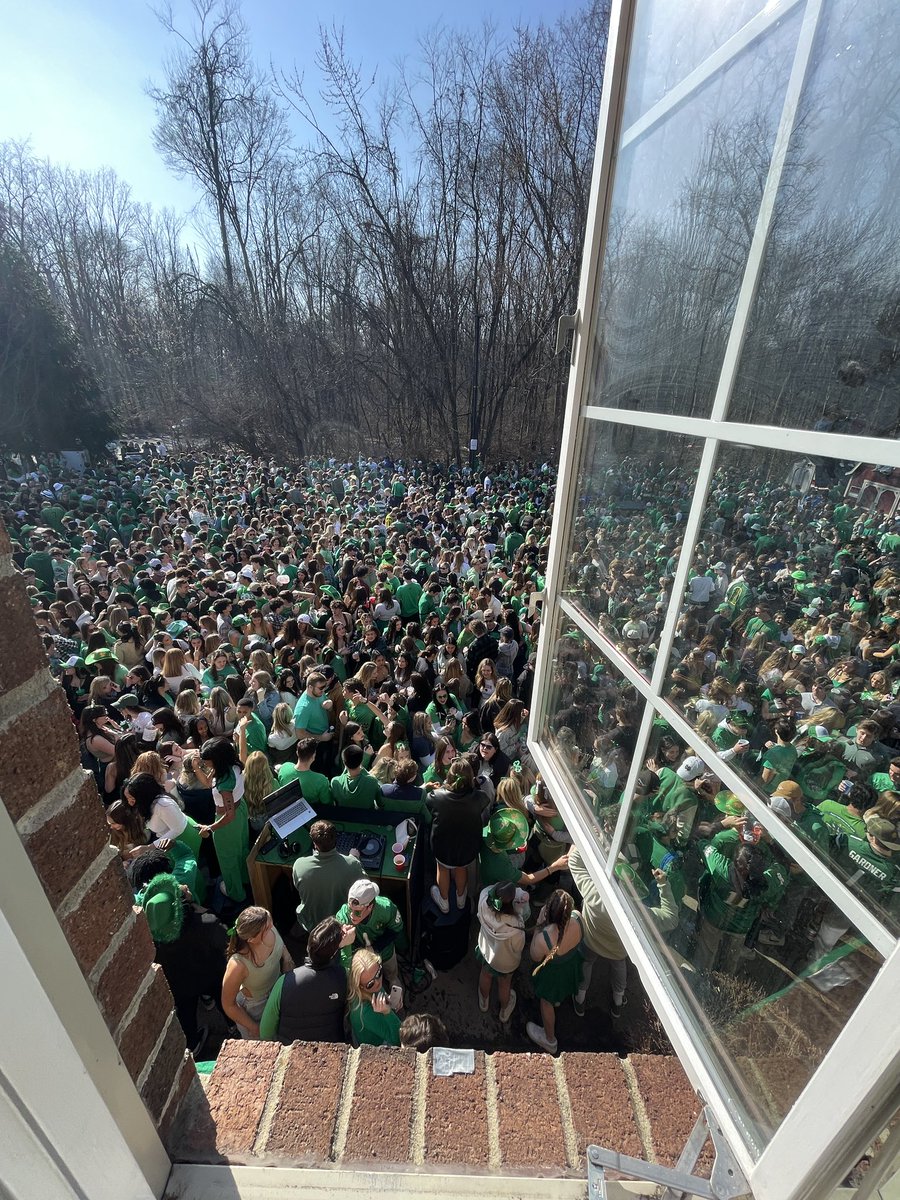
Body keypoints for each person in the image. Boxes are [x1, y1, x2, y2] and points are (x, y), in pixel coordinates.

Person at [132, 849, 228, 1057]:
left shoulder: (147, 934)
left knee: (185, 1013)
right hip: (211, 975)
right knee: (223, 1001)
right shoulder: (206, 923)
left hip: (179, 984)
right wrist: (192, 903)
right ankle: (232, 1027)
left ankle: (192, 1045)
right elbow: (224, 944)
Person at [259, 917, 354, 1044]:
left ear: (308, 947)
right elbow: (350, 972)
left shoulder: (284, 982)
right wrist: (345, 947)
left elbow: (265, 1032)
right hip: (330, 1051)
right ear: (333, 954)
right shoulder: (343, 977)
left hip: (291, 1051)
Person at [426, 758, 490, 913]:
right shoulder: (479, 797)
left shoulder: (436, 797)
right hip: (467, 848)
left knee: (443, 869)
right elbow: (484, 803)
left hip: (443, 847)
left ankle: (444, 902)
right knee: (461, 868)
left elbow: (429, 805)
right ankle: (461, 899)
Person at [221, 906, 293, 1039]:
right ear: (251, 939)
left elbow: (281, 947)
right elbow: (228, 1004)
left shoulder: (267, 924)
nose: (272, 928)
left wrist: (288, 962)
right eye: (267, 929)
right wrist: (254, 1027)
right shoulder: (238, 965)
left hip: (277, 990)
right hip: (256, 1007)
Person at [526, 889, 584, 1053]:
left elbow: (534, 957)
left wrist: (539, 925)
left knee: (546, 1001)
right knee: (563, 989)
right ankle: (560, 1000)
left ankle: (549, 1039)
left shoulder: (544, 938)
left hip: (552, 973)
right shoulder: (578, 918)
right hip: (571, 965)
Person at [194, 736, 250, 903]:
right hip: (241, 811)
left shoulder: (224, 783)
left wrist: (211, 828)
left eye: (207, 761)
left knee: (228, 859)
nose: (205, 763)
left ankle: (236, 893)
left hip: (227, 821)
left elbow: (229, 814)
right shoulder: (233, 765)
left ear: (217, 759)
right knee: (241, 849)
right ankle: (246, 879)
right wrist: (200, 767)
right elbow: (209, 782)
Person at [293, 819, 365, 935]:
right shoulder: (352, 865)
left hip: (312, 923)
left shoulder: (299, 865)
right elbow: (365, 886)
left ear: (314, 843)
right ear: (335, 839)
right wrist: (354, 858)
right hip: (340, 924)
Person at [475, 880, 528, 1023]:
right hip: (506, 963)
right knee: (504, 985)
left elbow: (489, 888)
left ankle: (484, 1001)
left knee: (485, 975)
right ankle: (504, 1010)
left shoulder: (484, 900)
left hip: (486, 951)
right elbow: (518, 947)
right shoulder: (515, 925)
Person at [335, 879, 404, 985]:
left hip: (384, 952)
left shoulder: (386, 908)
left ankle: (392, 979)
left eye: (357, 912)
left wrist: (376, 948)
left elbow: (396, 929)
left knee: (391, 971)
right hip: (360, 958)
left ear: (370, 907)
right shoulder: (343, 917)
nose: (352, 915)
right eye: (350, 909)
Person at [346, 947, 402, 1047]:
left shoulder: (367, 990)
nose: (377, 982)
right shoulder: (366, 1013)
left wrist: (387, 1000)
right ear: (360, 986)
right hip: (375, 1045)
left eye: (379, 973)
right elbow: (399, 1040)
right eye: (370, 984)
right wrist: (388, 1012)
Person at [275, 736, 332, 805]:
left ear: (297, 753)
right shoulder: (321, 780)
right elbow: (327, 802)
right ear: (313, 756)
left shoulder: (285, 767)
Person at [330, 743, 382, 808]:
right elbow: (380, 803)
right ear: (361, 761)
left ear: (344, 762)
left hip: (343, 817)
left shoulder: (335, 782)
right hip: (366, 817)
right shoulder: (372, 781)